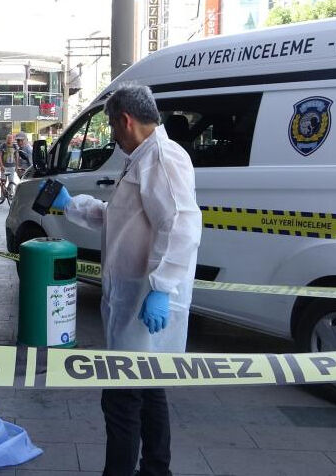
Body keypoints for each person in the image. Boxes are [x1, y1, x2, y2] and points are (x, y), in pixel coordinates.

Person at [47, 84, 201, 476]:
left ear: (125, 120)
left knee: (123, 399)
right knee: (148, 392)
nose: (113, 138)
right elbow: (121, 218)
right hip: (133, 299)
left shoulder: (162, 159)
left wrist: (162, 289)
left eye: (113, 128)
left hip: (143, 301)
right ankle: (155, 470)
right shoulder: (143, 159)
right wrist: (72, 206)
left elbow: (181, 227)